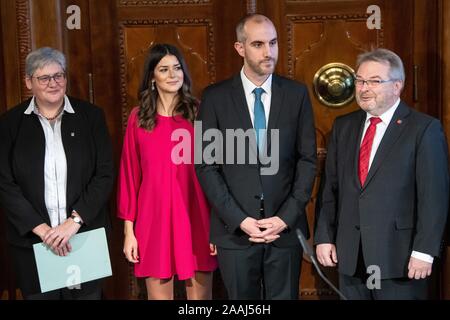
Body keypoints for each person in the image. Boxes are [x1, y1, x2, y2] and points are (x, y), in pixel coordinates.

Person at [195, 14, 317, 300]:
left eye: (273, 43)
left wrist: (285, 217)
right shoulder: (215, 97)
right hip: (235, 232)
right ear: (240, 48)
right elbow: (206, 166)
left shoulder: (296, 94)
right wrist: (240, 219)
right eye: (259, 44)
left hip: (284, 232)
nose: (268, 52)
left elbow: (307, 160)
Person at [314, 48, 449, 300]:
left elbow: (434, 197)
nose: (364, 88)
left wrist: (424, 251)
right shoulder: (344, 126)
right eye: (360, 80)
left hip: (400, 259)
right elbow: (330, 189)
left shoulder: (424, 129)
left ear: (397, 86)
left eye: (374, 81)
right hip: (351, 256)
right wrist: (324, 237)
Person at [0, 47, 114, 300]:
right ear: (29, 82)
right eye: (44, 78)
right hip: (34, 243)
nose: (53, 83)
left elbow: (104, 174)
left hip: (83, 238)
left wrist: (73, 222)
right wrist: (43, 230)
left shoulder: (91, 117)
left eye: (58, 76)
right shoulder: (9, 124)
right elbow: (4, 184)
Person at [117, 43, 218, 300]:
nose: (173, 75)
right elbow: (130, 176)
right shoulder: (138, 119)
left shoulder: (200, 112)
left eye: (177, 68)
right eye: (164, 69)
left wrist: (218, 226)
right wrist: (130, 232)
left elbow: (218, 172)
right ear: (152, 77)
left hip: (197, 216)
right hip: (153, 219)